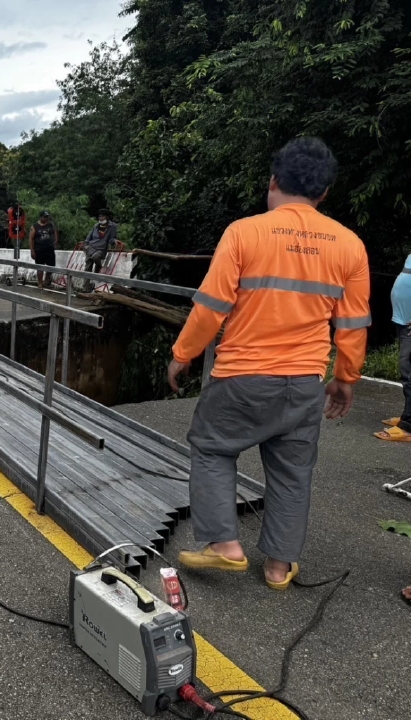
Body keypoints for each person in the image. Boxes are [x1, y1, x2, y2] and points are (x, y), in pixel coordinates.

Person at [167, 137, 370, 591]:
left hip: (242, 376)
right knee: (293, 473)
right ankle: (279, 567)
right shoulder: (349, 245)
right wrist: (345, 379)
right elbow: (353, 324)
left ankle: (223, 544)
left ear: (273, 180)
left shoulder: (245, 232)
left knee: (213, 448)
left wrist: (183, 355)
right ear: (325, 193)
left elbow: (211, 308)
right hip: (304, 382)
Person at [375, 254, 411, 442]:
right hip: (404, 320)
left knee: (409, 373)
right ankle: (408, 415)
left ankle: (409, 426)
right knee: (407, 373)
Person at [82, 209, 119, 290]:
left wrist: (114, 241)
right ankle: (85, 288)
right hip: (91, 247)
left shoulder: (112, 226)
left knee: (95, 257)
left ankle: (98, 267)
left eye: (102, 216)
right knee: (87, 267)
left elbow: (111, 239)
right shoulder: (96, 225)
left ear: (107, 217)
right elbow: (89, 237)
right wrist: (86, 245)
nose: (100, 218)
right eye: (99, 216)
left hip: (101, 248)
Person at [29, 210, 58, 289]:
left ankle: (46, 280)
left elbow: (54, 232)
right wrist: (32, 250)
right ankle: (40, 283)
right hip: (39, 249)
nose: (46, 218)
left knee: (51, 266)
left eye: (47, 217)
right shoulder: (35, 226)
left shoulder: (50, 224)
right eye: (44, 217)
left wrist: (55, 242)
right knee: (40, 267)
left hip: (49, 249)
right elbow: (31, 239)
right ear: (41, 217)